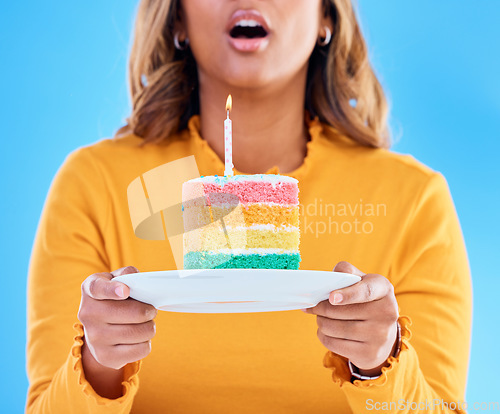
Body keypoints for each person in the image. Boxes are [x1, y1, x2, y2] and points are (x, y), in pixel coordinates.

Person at [26, 0, 472, 412]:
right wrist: (99, 363)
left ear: (327, 18)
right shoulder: (94, 184)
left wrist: (377, 363)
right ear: (177, 18)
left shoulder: (413, 199)